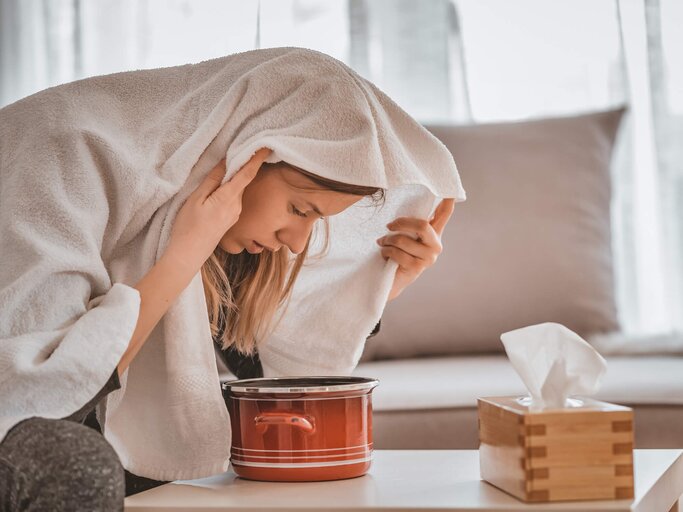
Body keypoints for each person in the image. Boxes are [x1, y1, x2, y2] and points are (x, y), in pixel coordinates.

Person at [0, 140, 454, 509]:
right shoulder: (104, 210)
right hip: (46, 432)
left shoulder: (235, 262)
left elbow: (269, 382)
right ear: (243, 165)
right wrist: (183, 254)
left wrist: (378, 288)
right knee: (84, 462)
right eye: (300, 210)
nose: (296, 245)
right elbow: (60, 397)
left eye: (315, 222)